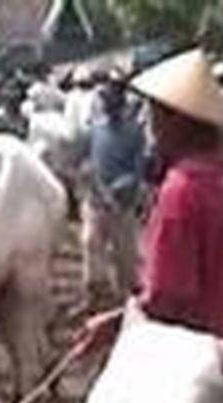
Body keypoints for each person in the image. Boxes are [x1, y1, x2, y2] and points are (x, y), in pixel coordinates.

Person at [78, 48, 223, 351]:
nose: (150, 124)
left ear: (176, 120)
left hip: (187, 355)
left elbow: (167, 298)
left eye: (155, 113)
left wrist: (113, 324)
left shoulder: (182, 189)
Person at [80, 74, 146, 311]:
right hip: (96, 200)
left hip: (122, 202)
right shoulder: (95, 129)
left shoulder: (134, 132)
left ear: (121, 102)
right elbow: (87, 162)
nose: (109, 104)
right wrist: (96, 186)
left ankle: (128, 300)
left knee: (124, 253)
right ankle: (95, 295)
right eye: (106, 99)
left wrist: (124, 185)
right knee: (90, 243)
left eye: (113, 99)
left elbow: (138, 168)